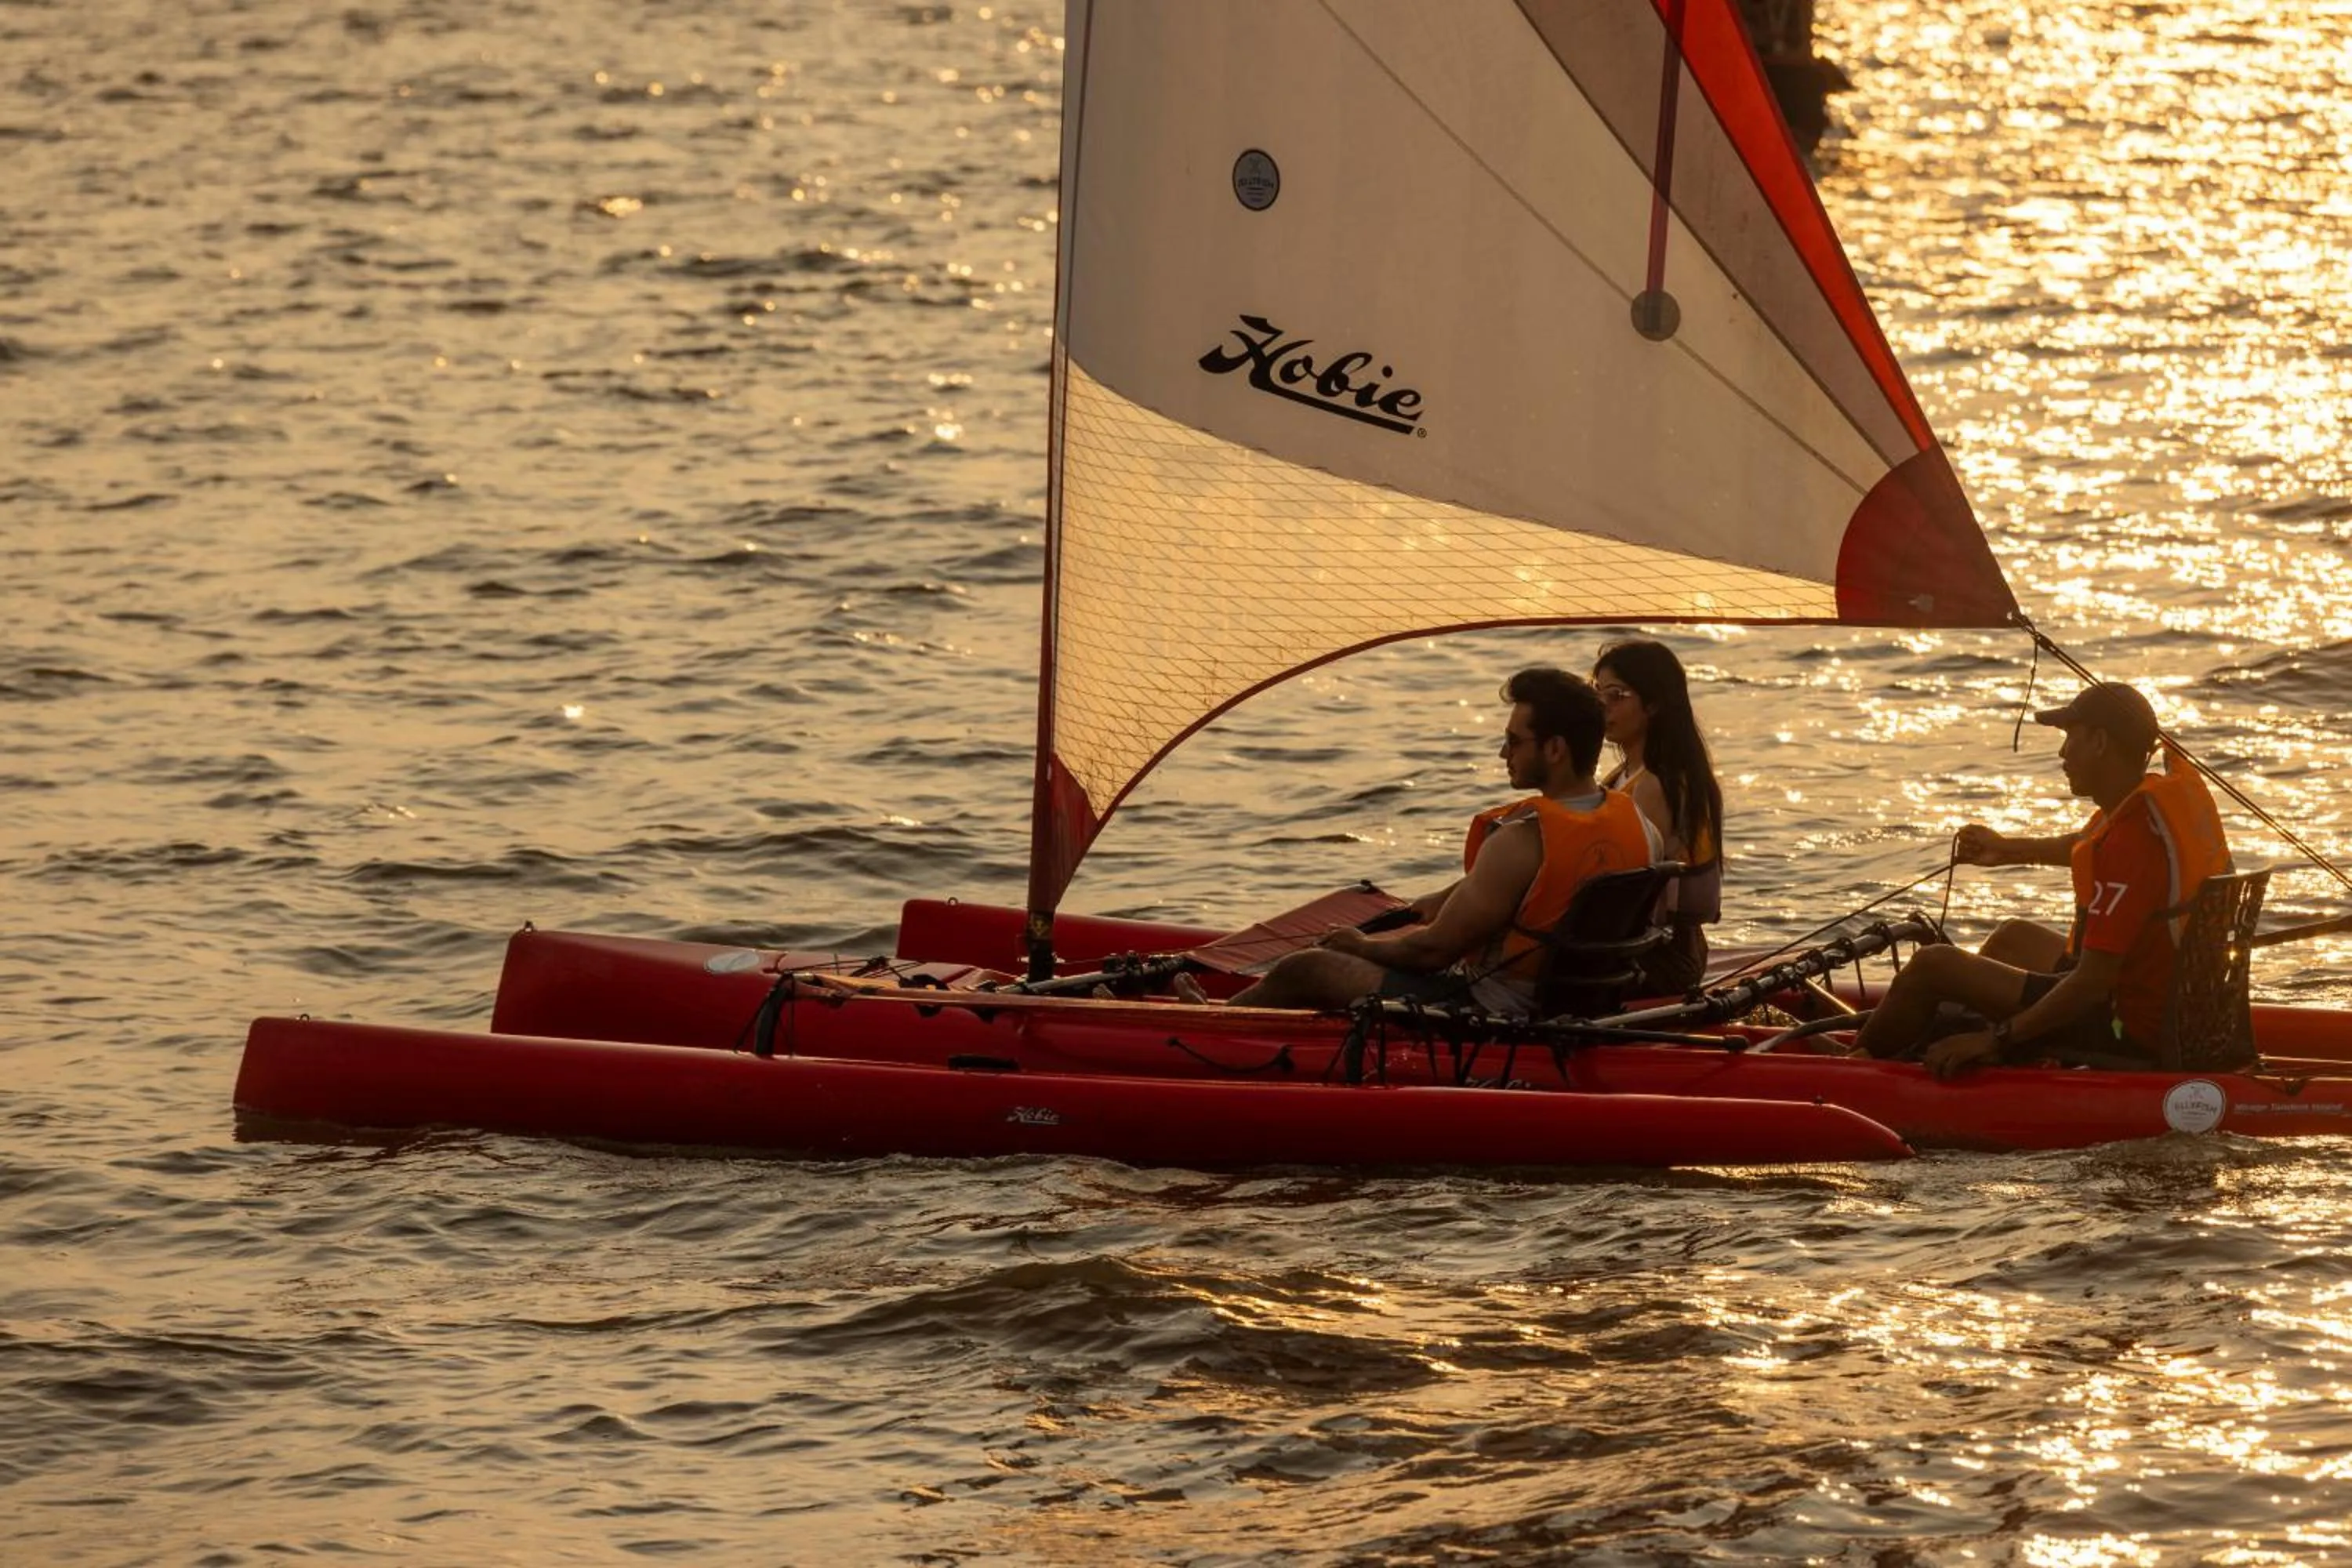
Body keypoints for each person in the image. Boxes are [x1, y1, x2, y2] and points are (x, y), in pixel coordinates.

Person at [1210, 667, 1661, 1013]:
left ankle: (1207, 1031)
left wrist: (1360, 947)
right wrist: (1452, 895)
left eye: (1514, 741)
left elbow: (1431, 952)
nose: (1504, 753)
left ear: (1555, 749)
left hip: (1490, 1009)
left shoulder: (1520, 841)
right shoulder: (1640, 825)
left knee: (1305, 968)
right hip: (1578, 1004)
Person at [1854, 681, 2232, 1077]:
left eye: (2071, 738)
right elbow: (2085, 844)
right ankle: (1935, 1042)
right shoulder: (2144, 807)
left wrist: (1998, 1037)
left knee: (1932, 965)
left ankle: (1856, 1064)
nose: (2062, 754)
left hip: (2126, 1024)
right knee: (2012, 937)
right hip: (2166, 1000)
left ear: (2100, 742)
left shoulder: (2131, 841)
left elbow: (2091, 983)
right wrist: (2007, 850)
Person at [1593, 639, 1725, 993]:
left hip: (1658, 955)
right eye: (1598, 693)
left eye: (1617, 695)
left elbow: (1631, 892)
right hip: (1641, 946)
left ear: (1653, 704)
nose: (1602, 706)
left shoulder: (1656, 783)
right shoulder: (1620, 776)